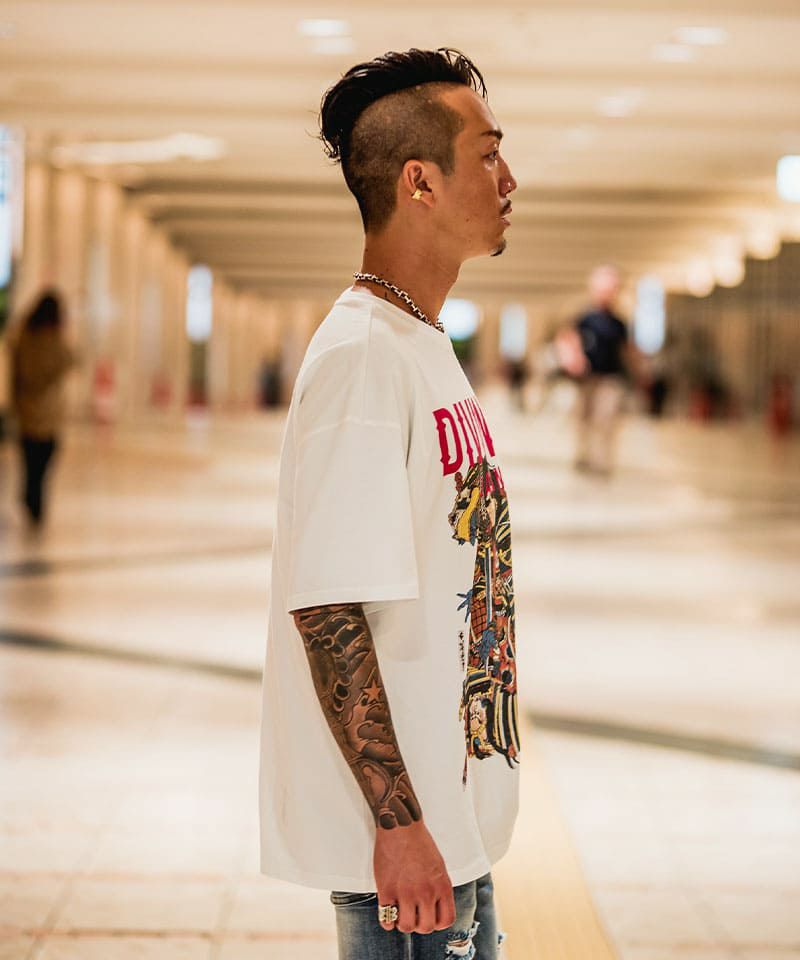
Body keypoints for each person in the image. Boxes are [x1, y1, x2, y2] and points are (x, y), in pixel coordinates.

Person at [258, 48, 520, 960]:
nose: (509, 178)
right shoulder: (363, 357)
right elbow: (329, 608)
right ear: (420, 181)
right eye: (488, 153)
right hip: (406, 859)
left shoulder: (416, 342)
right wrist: (401, 826)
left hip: (451, 830)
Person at [9, 290, 76, 527]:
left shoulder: (23, 337)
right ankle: (34, 501)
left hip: (27, 411)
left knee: (30, 463)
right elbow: (71, 360)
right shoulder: (54, 339)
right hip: (48, 414)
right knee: (43, 464)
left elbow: (16, 373)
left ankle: (31, 496)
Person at [573, 264, 633, 476]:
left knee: (606, 420)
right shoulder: (585, 318)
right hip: (587, 378)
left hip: (609, 378)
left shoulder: (619, 323)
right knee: (585, 419)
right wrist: (576, 360)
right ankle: (584, 455)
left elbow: (626, 350)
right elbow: (571, 340)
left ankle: (603, 461)